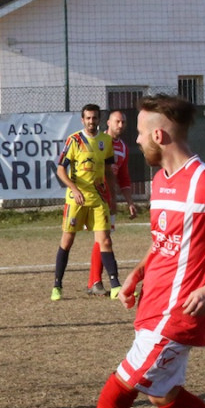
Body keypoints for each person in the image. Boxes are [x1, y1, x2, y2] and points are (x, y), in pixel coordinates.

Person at [19, 94, 205, 408]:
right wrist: (137, 274)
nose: (135, 141)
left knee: (119, 388)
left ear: (159, 135)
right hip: (153, 306)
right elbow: (164, 242)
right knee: (165, 395)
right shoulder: (161, 181)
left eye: (142, 133)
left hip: (176, 314)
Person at [51, 104, 120, 301]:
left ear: (99, 120)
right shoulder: (74, 140)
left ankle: (115, 285)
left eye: (95, 118)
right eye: (88, 118)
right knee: (67, 240)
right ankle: (57, 285)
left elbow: (108, 171)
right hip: (76, 200)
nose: (91, 121)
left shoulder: (106, 141)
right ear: (83, 120)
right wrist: (74, 189)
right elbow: (60, 170)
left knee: (105, 241)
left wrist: (112, 197)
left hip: (98, 198)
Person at [86, 110, 139, 296]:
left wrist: (129, 201)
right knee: (103, 237)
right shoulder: (98, 141)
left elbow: (123, 177)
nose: (121, 125)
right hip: (94, 196)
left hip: (110, 198)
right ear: (108, 122)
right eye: (117, 121)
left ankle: (95, 282)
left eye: (123, 122)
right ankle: (96, 281)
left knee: (103, 238)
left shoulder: (122, 147)